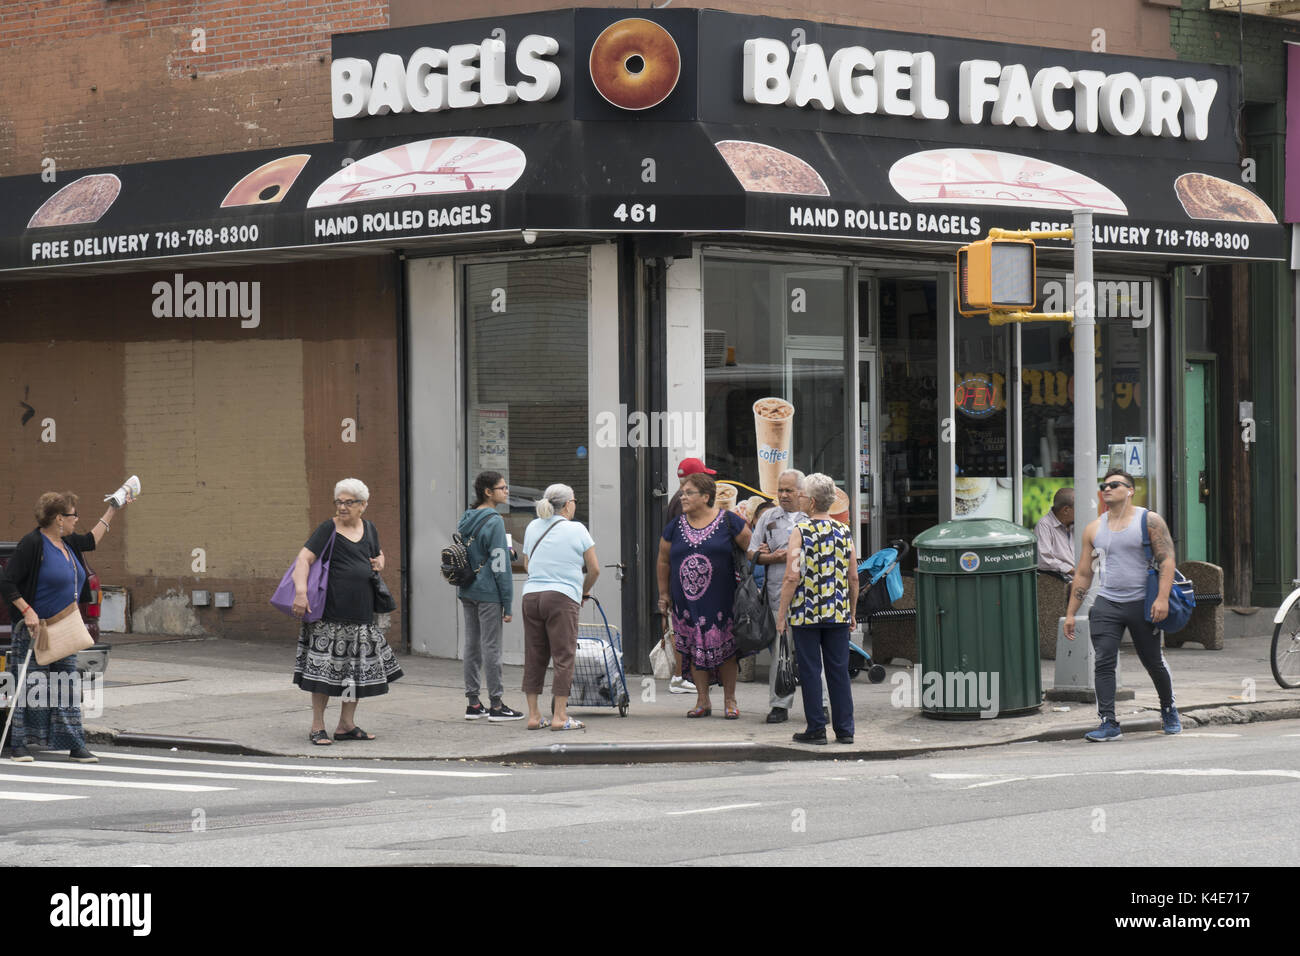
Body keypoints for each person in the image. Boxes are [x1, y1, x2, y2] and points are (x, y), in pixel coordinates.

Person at [1, 486, 133, 763]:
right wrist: (27, 611)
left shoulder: (69, 543)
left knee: (67, 685)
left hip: (66, 626)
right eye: (73, 515)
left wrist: (113, 509)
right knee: (29, 686)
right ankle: (19, 745)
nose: (77, 519)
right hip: (36, 629)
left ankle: (75, 744)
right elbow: (7, 580)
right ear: (58, 518)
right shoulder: (33, 544)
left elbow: (91, 540)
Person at [1064, 468, 1181, 741]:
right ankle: (1108, 722)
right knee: (1103, 661)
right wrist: (1071, 613)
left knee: (1152, 661)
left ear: (1130, 490)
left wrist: (1162, 598)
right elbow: (1083, 573)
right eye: (1103, 485)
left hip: (1143, 603)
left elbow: (1167, 561)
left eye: (1114, 485)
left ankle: (1168, 708)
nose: (1107, 489)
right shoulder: (1094, 528)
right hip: (1107, 602)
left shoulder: (1149, 520)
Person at [291, 478, 403, 745]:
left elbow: (379, 555)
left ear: (363, 505)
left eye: (349, 502)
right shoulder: (328, 528)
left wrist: (380, 561)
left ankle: (346, 724)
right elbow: (303, 559)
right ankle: (318, 725)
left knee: (355, 673)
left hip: (362, 616)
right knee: (322, 675)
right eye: (339, 501)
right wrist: (300, 592)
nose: (342, 507)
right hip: (329, 616)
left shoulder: (370, 528)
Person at [657, 473, 752, 719]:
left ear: (706, 497)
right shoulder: (674, 526)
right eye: (682, 492)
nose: (683, 496)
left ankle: (730, 700)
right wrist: (664, 594)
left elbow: (750, 550)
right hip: (686, 601)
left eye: (689, 492)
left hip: (722, 599)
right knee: (692, 648)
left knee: (727, 649)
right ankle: (702, 701)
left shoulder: (729, 521)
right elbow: (663, 560)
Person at [777, 473, 860, 745]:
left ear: (811, 502)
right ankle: (845, 730)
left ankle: (816, 729)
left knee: (811, 670)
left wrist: (782, 613)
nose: (798, 498)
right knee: (839, 671)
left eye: (802, 495)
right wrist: (852, 611)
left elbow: (792, 575)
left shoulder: (800, 532)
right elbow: (853, 577)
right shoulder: (844, 531)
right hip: (837, 611)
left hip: (806, 613)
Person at [749, 469, 829, 724]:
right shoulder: (768, 518)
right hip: (777, 594)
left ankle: (822, 705)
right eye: (780, 490)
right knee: (780, 651)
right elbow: (752, 552)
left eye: (788, 491)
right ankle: (779, 705)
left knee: (814, 655)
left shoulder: (814, 518)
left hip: (811, 597)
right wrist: (770, 557)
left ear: (802, 493)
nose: (783, 495)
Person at [521, 484, 599, 731]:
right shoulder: (577, 529)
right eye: (574, 500)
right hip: (562, 597)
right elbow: (594, 569)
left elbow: (527, 565)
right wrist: (583, 590)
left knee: (535, 655)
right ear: (567, 504)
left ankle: (534, 716)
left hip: (531, 596)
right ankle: (560, 717)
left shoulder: (533, 526)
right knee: (563, 656)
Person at [457, 471, 522, 721]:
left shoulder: (468, 517)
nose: (506, 491)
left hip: (468, 589)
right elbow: (498, 564)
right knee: (492, 647)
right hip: (489, 593)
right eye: (502, 488)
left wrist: (507, 553)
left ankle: (473, 703)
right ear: (488, 492)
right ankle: (497, 705)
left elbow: (480, 552)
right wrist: (507, 602)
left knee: (472, 645)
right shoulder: (494, 520)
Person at [661, 456, 715, 694]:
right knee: (682, 626)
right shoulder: (682, 504)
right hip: (683, 574)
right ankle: (679, 676)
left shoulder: (677, 499)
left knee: (687, 625)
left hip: (682, 572)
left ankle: (686, 675)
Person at [1034, 487, 1076, 577]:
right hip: (1061, 581)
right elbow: (1044, 560)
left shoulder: (1077, 523)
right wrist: (1073, 571)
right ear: (1066, 510)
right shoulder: (1044, 525)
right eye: (1078, 508)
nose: (1082, 512)